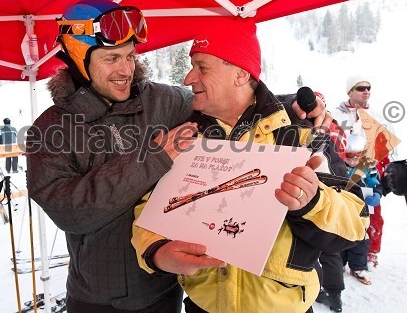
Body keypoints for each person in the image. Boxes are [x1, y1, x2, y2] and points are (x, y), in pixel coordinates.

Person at [26, 0, 333, 313]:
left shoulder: (162, 101)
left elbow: (228, 100)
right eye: (112, 58)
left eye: (130, 56)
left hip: (163, 288)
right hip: (97, 297)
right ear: (79, 59)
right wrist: (154, 158)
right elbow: (72, 213)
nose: (125, 69)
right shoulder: (50, 129)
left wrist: (292, 105)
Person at [132, 18, 369, 313]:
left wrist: (314, 202)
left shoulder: (300, 134)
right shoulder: (187, 138)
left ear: (241, 74)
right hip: (202, 307)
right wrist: (155, 251)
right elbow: (149, 208)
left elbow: (356, 220)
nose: (188, 78)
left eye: (202, 67)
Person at [316, 134, 382, 312]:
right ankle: (342, 266)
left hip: (360, 208)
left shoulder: (367, 167)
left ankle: (358, 266)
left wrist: (376, 194)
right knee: (340, 239)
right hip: (343, 207)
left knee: (360, 238)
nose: (353, 161)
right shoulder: (337, 163)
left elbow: (375, 183)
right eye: (350, 156)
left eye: (357, 157)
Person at [332, 75, 389, 268]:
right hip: (343, 170)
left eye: (368, 88)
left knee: (373, 214)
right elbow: (330, 143)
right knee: (344, 215)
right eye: (360, 88)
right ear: (350, 92)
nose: (366, 91)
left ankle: (370, 253)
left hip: (368, 171)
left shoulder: (376, 115)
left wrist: (388, 169)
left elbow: (385, 146)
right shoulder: (337, 115)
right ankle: (340, 257)